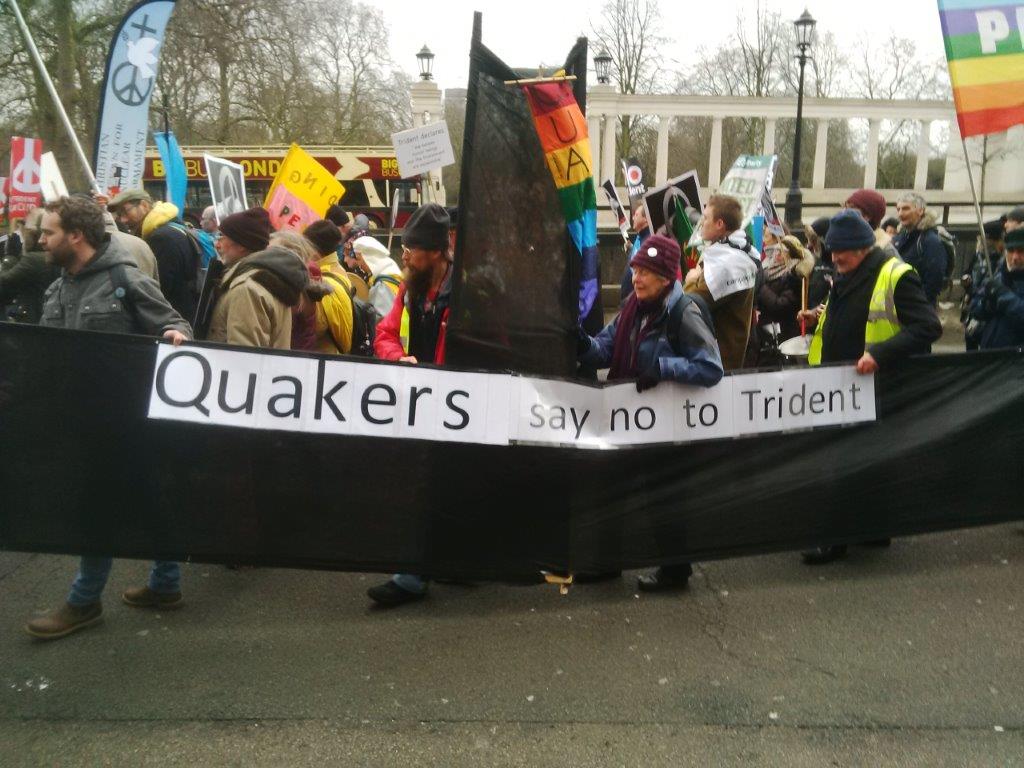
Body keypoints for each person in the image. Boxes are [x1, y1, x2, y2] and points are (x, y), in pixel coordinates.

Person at [24, 196, 191, 641]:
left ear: (75, 235)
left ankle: (84, 601)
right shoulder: (57, 287)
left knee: (93, 509)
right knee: (149, 500)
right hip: (80, 423)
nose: (41, 239)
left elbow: (175, 325)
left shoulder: (125, 279)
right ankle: (166, 584)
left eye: (49, 231)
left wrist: (176, 336)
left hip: (128, 424)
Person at [797, 209, 941, 565]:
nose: (833, 258)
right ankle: (874, 528)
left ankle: (835, 539)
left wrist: (879, 353)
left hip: (875, 384)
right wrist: (819, 316)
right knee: (865, 460)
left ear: (861, 247)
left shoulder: (895, 275)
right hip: (840, 384)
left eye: (839, 251)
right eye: (830, 252)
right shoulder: (850, 272)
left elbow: (927, 326)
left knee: (843, 462)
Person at [367, 204, 453, 607]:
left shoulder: (469, 293)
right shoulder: (409, 288)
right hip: (417, 403)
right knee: (421, 487)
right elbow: (385, 334)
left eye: (412, 247)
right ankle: (412, 574)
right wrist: (397, 360)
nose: (404, 254)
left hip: (456, 408)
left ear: (436, 251)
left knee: (447, 486)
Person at [206, 208, 307, 349]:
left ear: (241, 245)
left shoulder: (246, 289)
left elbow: (244, 357)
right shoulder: (267, 277)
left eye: (222, 237)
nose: (217, 245)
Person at [683, 194, 759, 371]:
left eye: (706, 217)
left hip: (719, 362)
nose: (701, 222)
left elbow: (688, 302)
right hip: (724, 357)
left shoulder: (727, 264)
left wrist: (691, 279)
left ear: (720, 224)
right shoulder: (735, 254)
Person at [107, 189, 200, 321]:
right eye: (119, 214)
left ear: (144, 205)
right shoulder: (172, 227)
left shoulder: (160, 238)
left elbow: (158, 288)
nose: (123, 219)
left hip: (175, 319)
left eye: (125, 212)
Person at [300, 220, 356, 354]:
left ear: (314, 250)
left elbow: (317, 327)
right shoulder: (339, 270)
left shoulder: (322, 282)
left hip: (325, 358)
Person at [756, 233, 815, 356]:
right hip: (766, 330)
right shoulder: (769, 271)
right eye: (776, 250)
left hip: (785, 331)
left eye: (782, 252)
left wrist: (761, 287)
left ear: (790, 255)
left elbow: (781, 305)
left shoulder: (794, 275)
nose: (777, 254)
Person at [0, 207, 60, 323]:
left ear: (34, 234)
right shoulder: (52, 256)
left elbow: (3, 285)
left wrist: (9, 257)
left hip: (31, 322)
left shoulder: (33, 260)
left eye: (26, 230)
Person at [970, 227, 1024, 350]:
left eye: (1021, 251)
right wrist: (987, 304)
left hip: (1017, 361)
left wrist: (1003, 296)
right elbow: (974, 309)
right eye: (1010, 250)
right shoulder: (999, 275)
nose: (1015, 257)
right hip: (990, 355)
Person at [891, 192, 947, 306]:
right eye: (898, 209)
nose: (900, 214)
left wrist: (916, 307)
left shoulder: (931, 241)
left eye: (906, 208)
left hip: (916, 310)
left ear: (920, 211)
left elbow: (933, 283)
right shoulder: (899, 238)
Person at [961, 220, 1006, 349]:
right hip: (973, 304)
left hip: (987, 305)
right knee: (970, 339)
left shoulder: (1001, 260)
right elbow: (969, 270)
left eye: (985, 239)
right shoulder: (979, 255)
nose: (981, 243)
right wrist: (967, 280)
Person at [353, 234, 402, 319]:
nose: (359, 264)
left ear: (368, 257)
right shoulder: (389, 269)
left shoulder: (383, 284)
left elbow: (382, 318)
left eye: (358, 259)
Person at [845, 189, 898, 258]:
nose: (844, 213)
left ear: (868, 216)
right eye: (846, 208)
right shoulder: (850, 243)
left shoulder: (886, 252)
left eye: (851, 208)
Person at [619, 205, 652, 303]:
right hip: (629, 299)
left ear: (646, 219)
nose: (633, 218)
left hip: (636, 300)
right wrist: (631, 249)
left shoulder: (649, 241)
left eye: (636, 215)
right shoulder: (640, 237)